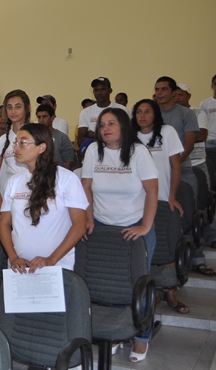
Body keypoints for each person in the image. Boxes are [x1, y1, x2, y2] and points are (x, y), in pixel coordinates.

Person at [81, 108, 158, 362]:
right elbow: (86, 187)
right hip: (103, 225)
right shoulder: (93, 150)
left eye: (111, 123)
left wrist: (145, 226)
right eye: (102, 124)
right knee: (110, 280)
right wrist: (89, 218)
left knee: (139, 284)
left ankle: (142, 336)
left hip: (135, 224)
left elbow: (152, 190)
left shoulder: (138, 152)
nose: (106, 128)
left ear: (124, 126)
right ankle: (117, 330)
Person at [0, 124, 87, 273]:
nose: (16, 148)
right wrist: (13, 258)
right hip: (20, 269)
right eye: (15, 142)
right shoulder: (14, 181)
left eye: (23, 142)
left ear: (41, 147)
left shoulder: (67, 179)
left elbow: (79, 225)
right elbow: (4, 224)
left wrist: (51, 259)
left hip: (56, 267)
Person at [132, 99, 189, 314]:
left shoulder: (167, 132)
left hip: (163, 198)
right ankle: (153, 290)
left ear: (156, 114)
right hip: (138, 203)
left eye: (147, 111)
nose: (143, 115)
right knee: (146, 249)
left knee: (167, 247)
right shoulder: (130, 136)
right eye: (139, 111)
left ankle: (171, 294)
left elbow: (175, 165)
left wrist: (172, 196)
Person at [154, 76, 214, 276]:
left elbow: (188, 145)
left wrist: (172, 166)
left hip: (183, 171)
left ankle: (197, 259)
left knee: (188, 215)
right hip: (156, 175)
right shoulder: (152, 113)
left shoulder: (186, 113)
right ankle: (163, 261)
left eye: (164, 89)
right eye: (157, 89)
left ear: (173, 92)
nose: (159, 93)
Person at [177, 82, 216, 249]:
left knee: (204, 201)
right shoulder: (170, 114)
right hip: (177, 165)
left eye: (181, 94)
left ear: (188, 96)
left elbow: (201, 135)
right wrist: (188, 135)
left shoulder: (198, 112)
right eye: (175, 94)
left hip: (198, 164)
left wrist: (178, 137)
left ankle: (212, 236)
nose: (177, 97)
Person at [0, 90, 32, 240]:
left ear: (27, 108)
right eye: (9, 107)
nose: (13, 111)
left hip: (34, 193)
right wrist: (4, 209)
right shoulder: (2, 140)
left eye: (18, 107)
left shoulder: (39, 133)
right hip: (8, 196)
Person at [77, 77, 129, 145]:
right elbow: (81, 140)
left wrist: (94, 135)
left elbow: (125, 135)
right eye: (96, 90)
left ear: (110, 90)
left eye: (103, 89)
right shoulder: (85, 112)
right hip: (94, 151)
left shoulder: (122, 109)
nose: (99, 93)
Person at [36, 104, 76, 169]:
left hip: (57, 173)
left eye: (44, 117)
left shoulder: (62, 137)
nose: (41, 120)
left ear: (52, 118)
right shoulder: (34, 137)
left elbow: (69, 161)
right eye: (39, 117)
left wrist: (62, 174)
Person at [201, 74, 216, 158]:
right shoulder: (204, 103)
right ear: (212, 86)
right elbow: (202, 122)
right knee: (213, 165)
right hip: (210, 140)